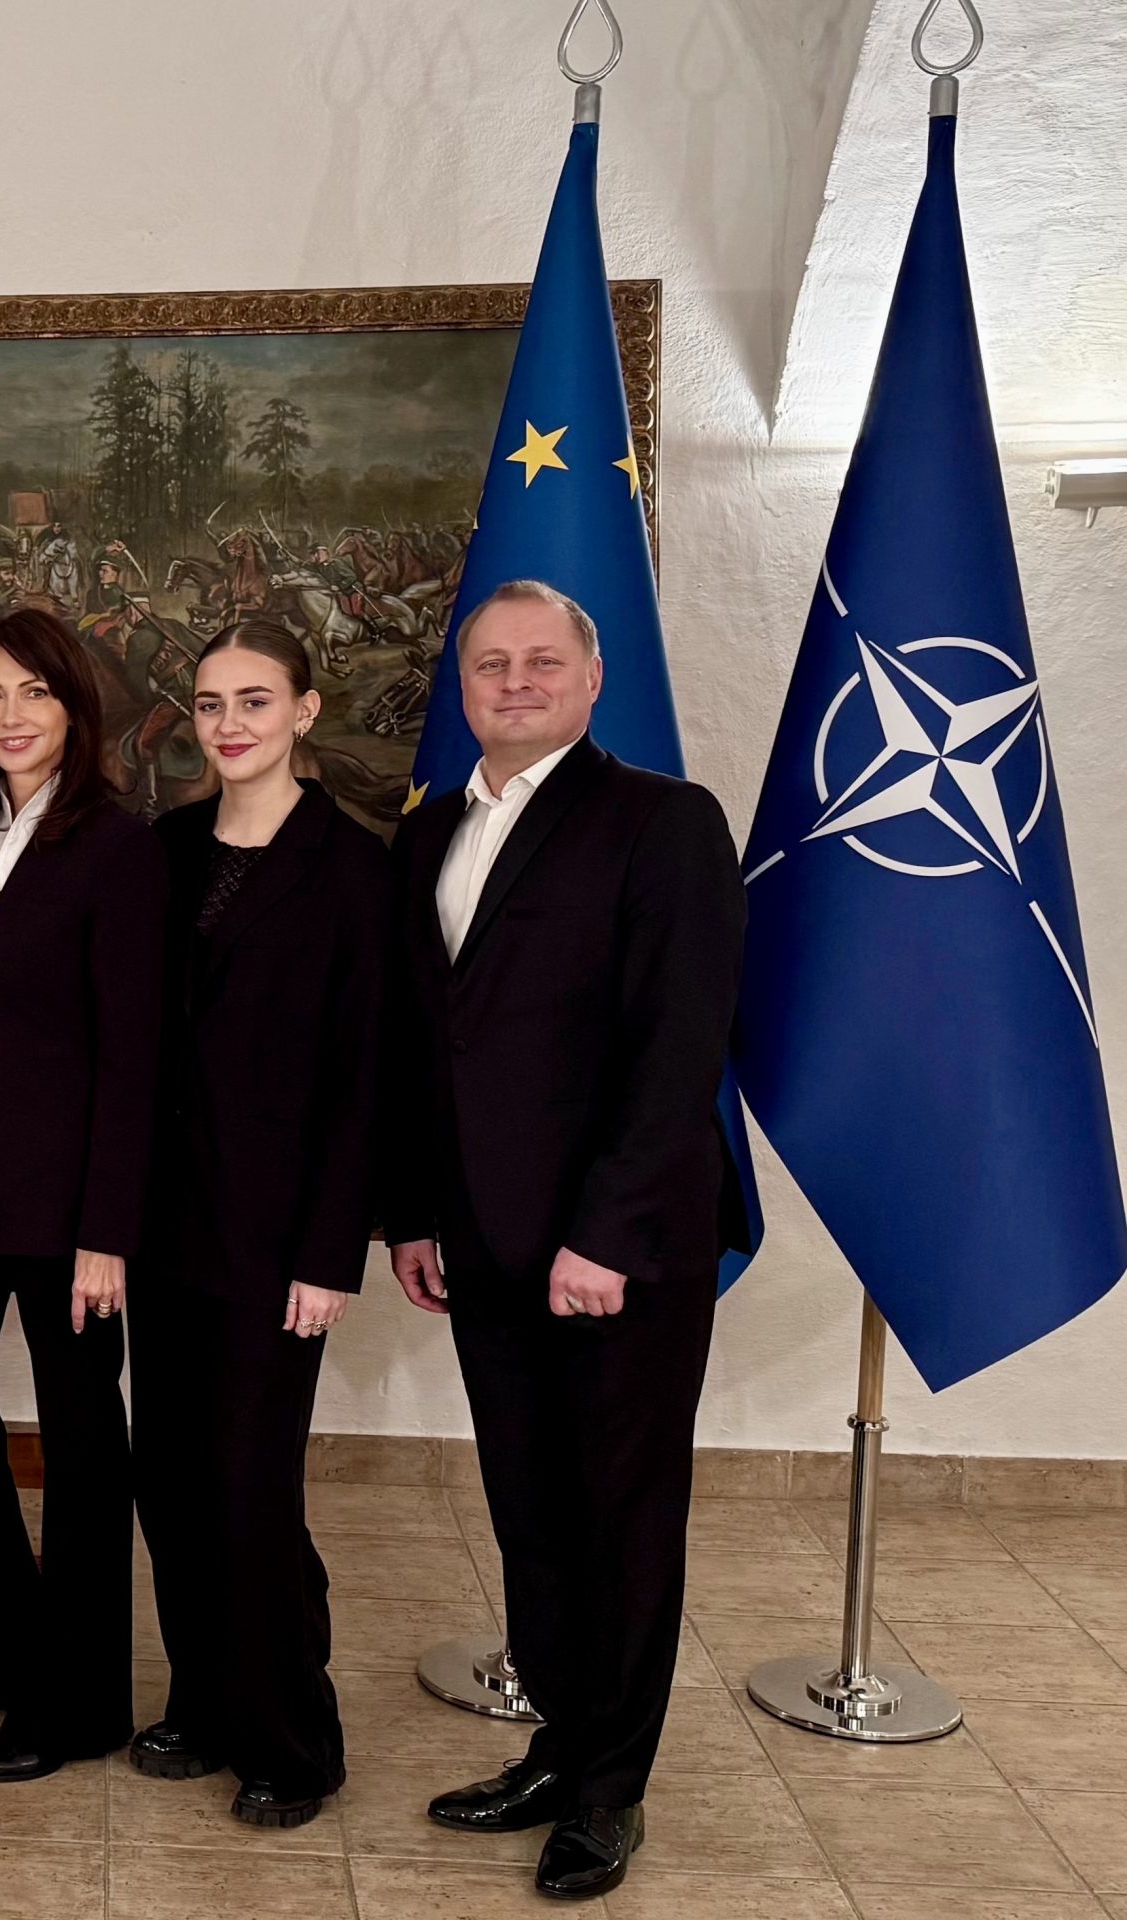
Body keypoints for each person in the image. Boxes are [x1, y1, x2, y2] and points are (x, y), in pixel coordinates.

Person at [383, 579, 747, 1900]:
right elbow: (420, 1044)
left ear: (593, 682)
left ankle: (609, 1791)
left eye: (543, 662)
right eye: (491, 664)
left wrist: (606, 1234)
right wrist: (411, 1213)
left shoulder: (663, 821)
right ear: (462, 685)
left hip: (615, 1254)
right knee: (530, 1512)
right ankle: (560, 1744)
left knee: (622, 1520)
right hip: (480, 1241)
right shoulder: (428, 834)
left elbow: (680, 1044)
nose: (516, 683)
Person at [0, 606, 169, 1783]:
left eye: (35, 693)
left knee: (80, 1436)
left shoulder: (117, 846)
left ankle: (80, 1700)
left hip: (67, 1197)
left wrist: (108, 1232)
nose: (10, 717)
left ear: (74, 707)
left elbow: (133, 1056)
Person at [129, 619, 387, 1829]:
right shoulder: (167, 849)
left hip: (278, 1240)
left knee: (248, 1486)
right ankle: (201, 1698)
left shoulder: (353, 870)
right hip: (163, 1223)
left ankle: (290, 1739)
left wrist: (329, 1254)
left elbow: (362, 1078)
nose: (227, 724)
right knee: (171, 1477)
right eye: (209, 703)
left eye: (253, 700)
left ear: (303, 709)